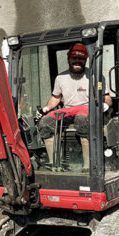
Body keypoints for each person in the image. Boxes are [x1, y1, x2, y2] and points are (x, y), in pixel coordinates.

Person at [37, 43, 112, 171]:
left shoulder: (95, 76)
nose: (77, 61)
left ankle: (88, 168)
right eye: (74, 58)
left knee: (81, 120)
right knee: (45, 123)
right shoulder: (60, 77)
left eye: (81, 58)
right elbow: (56, 97)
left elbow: (106, 97)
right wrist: (46, 108)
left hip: (87, 108)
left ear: (86, 60)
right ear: (68, 59)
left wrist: (105, 104)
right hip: (67, 109)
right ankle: (56, 165)